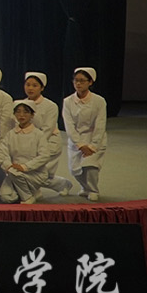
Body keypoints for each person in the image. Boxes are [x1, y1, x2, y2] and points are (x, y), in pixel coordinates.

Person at [0, 100, 61, 204]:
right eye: (18, 112)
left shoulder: (38, 134)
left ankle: (27, 197)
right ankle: (31, 191)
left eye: (26, 112)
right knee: (6, 197)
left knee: (16, 175)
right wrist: (8, 165)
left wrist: (24, 167)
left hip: (35, 173)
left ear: (32, 115)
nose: (21, 115)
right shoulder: (10, 134)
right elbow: (3, 152)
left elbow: (44, 156)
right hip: (14, 172)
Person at [62, 67, 107, 201]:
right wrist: (80, 144)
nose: (78, 83)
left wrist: (93, 145)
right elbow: (69, 125)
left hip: (94, 137)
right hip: (76, 139)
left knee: (90, 165)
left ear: (90, 82)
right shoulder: (68, 101)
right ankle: (85, 187)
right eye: (76, 80)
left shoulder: (99, 101)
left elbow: (100, 124)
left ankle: (93, 190)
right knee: (74, 169)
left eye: (82, 81)